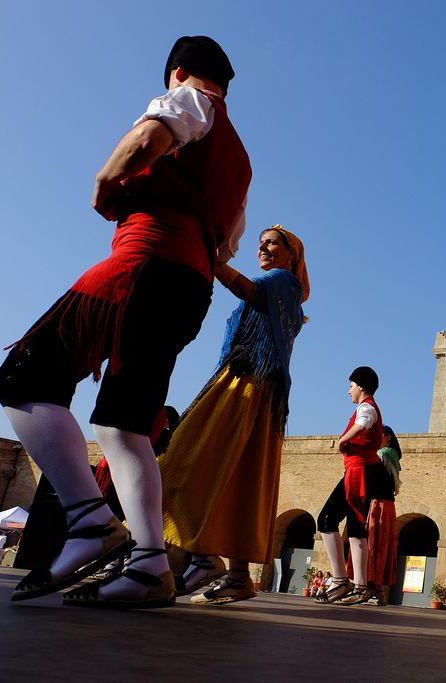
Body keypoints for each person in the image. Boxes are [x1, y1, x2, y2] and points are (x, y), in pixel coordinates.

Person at [0, 35, 250, 609]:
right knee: (124, 425)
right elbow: (226, 247)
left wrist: (105, 185)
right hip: (190, 286)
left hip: (142, 265)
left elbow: (142, 143)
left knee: (22, 380)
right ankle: (151, 566)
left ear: (178, 72)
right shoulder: (240, 161)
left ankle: (90, 522)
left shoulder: (190, 98)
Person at [156, 225, 308, 605]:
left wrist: (214, 261)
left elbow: (249, 290)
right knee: (241, 478)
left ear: (292, 255)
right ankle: (233, 573)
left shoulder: (283, 282)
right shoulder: (287, 291)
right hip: (257, 388)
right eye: (261, 244)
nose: (263, 248)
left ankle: (204, 558)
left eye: (272, 242)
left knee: (184, 457)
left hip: (247, 385)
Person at [315, 367, 384, 606]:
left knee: (325, 520)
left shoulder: (366, 407)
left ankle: (340, 578)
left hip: (359, 471)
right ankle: (360, 586)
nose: (349, 391)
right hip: (364, 471)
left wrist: (344, 439)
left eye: (351, 385)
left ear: (361, 387)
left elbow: (364, 423)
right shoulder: (369, 407)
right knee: (356, 529)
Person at [347, 425, 403, 606]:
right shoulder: (393, 455)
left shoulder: (383, 454)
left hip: (377, 504)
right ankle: (376, 588)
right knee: (379, 545)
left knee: (371, 543)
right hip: (386, 506)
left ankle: (365, 586)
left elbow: (369, 477)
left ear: (386, 436)